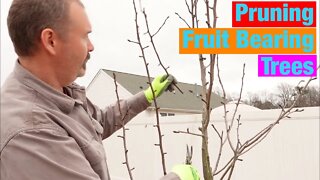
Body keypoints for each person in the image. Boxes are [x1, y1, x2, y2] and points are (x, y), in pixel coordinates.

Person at [0, 0, 200, 180]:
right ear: (51, 40)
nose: (91, 46)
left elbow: (98, 122)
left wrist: (146, 96)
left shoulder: (59, 91)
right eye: (85, 36)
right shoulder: (32, 133)